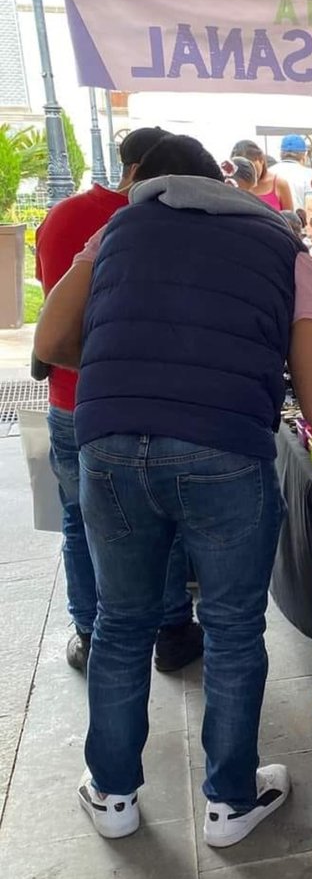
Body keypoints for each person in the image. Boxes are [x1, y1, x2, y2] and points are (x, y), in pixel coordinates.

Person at [34, 134, 312, 847]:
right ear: (233, 185)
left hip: (112, 441)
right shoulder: (287, 248)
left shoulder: (117, 227)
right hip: (226, 451)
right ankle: (229, 804)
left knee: (121, 622)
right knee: (233, 628)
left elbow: (50, 337)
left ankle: (114, 793)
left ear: (148, 183)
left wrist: (131, 366)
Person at [34, 127, 203, 675]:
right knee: (165, 513)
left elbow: (52, 313)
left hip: (71, 398)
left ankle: (88, 632)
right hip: (149, 395)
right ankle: (173, 628)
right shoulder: (164, 221)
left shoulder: (60, 218)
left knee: (79, 521)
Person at [229, 140, 293, 212]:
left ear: (261, 160)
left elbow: (290, 218)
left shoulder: (280, 183)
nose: (251, 175)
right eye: (244, 172)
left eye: (253, 169)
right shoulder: (233, 185)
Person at [274, 133, 312, 209]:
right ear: (304, 155)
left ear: (281, 153)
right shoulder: (310, 175)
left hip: (273, 220)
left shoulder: (269, 172)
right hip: (299, 220)